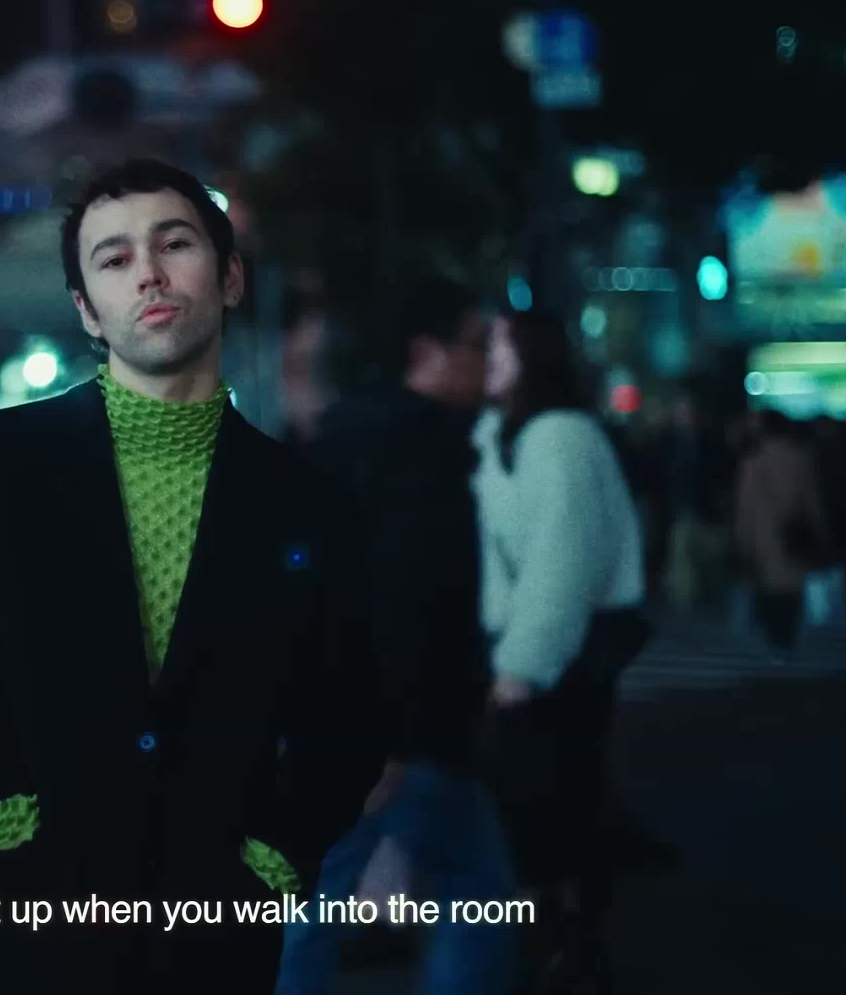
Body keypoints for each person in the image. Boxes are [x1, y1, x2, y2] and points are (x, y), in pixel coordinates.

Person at [0, 158, 383, 994]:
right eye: (114, 258)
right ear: (86, 311)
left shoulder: (305, 500)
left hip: (215, 926)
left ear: (231, 277)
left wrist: (283, 849)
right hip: (33, 910)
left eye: (175, 244)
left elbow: (351, 706)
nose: (149, 273)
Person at [277, 280, 516, 993]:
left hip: (359, 723)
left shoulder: (352, 435)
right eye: (476, 344)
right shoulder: (418, 452)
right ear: (426, 353)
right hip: (398, 732)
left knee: (324, 900)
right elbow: (402, 597)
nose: (488, 360)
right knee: (471, 892)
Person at [471, 310, 647, 992]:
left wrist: (521, 667)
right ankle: (557, 943)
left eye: (500, 346)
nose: (486, 355)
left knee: (554, 802)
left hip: (558, 658)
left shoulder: (562, 438)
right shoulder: (499, 432)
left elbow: (561, 565)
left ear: (533, 357)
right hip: (529, 651)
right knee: (540, 805)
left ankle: (568, 946)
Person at [735, 410, 832, 660]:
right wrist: (819, 529)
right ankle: (786, 637)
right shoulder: (801, 458)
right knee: (792, 586)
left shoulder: (754, 462)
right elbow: (812, 499)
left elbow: (745, 505)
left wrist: (743, 537)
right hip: (794, 531)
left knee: (769, 587)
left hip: (763, 533)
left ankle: (773, 638)